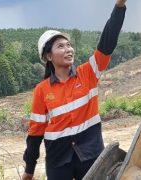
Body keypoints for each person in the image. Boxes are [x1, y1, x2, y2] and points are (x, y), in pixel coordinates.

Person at [22, 0, 127, 179]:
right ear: (48, 56)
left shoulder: (88, 72)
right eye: (61, 46)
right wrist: (29, 170)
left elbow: (107, 43)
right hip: (58, 161)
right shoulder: (42, 90)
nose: (68, 49)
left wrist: (119, 6)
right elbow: (36, 132)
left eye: (69, 45)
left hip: (91, 156)